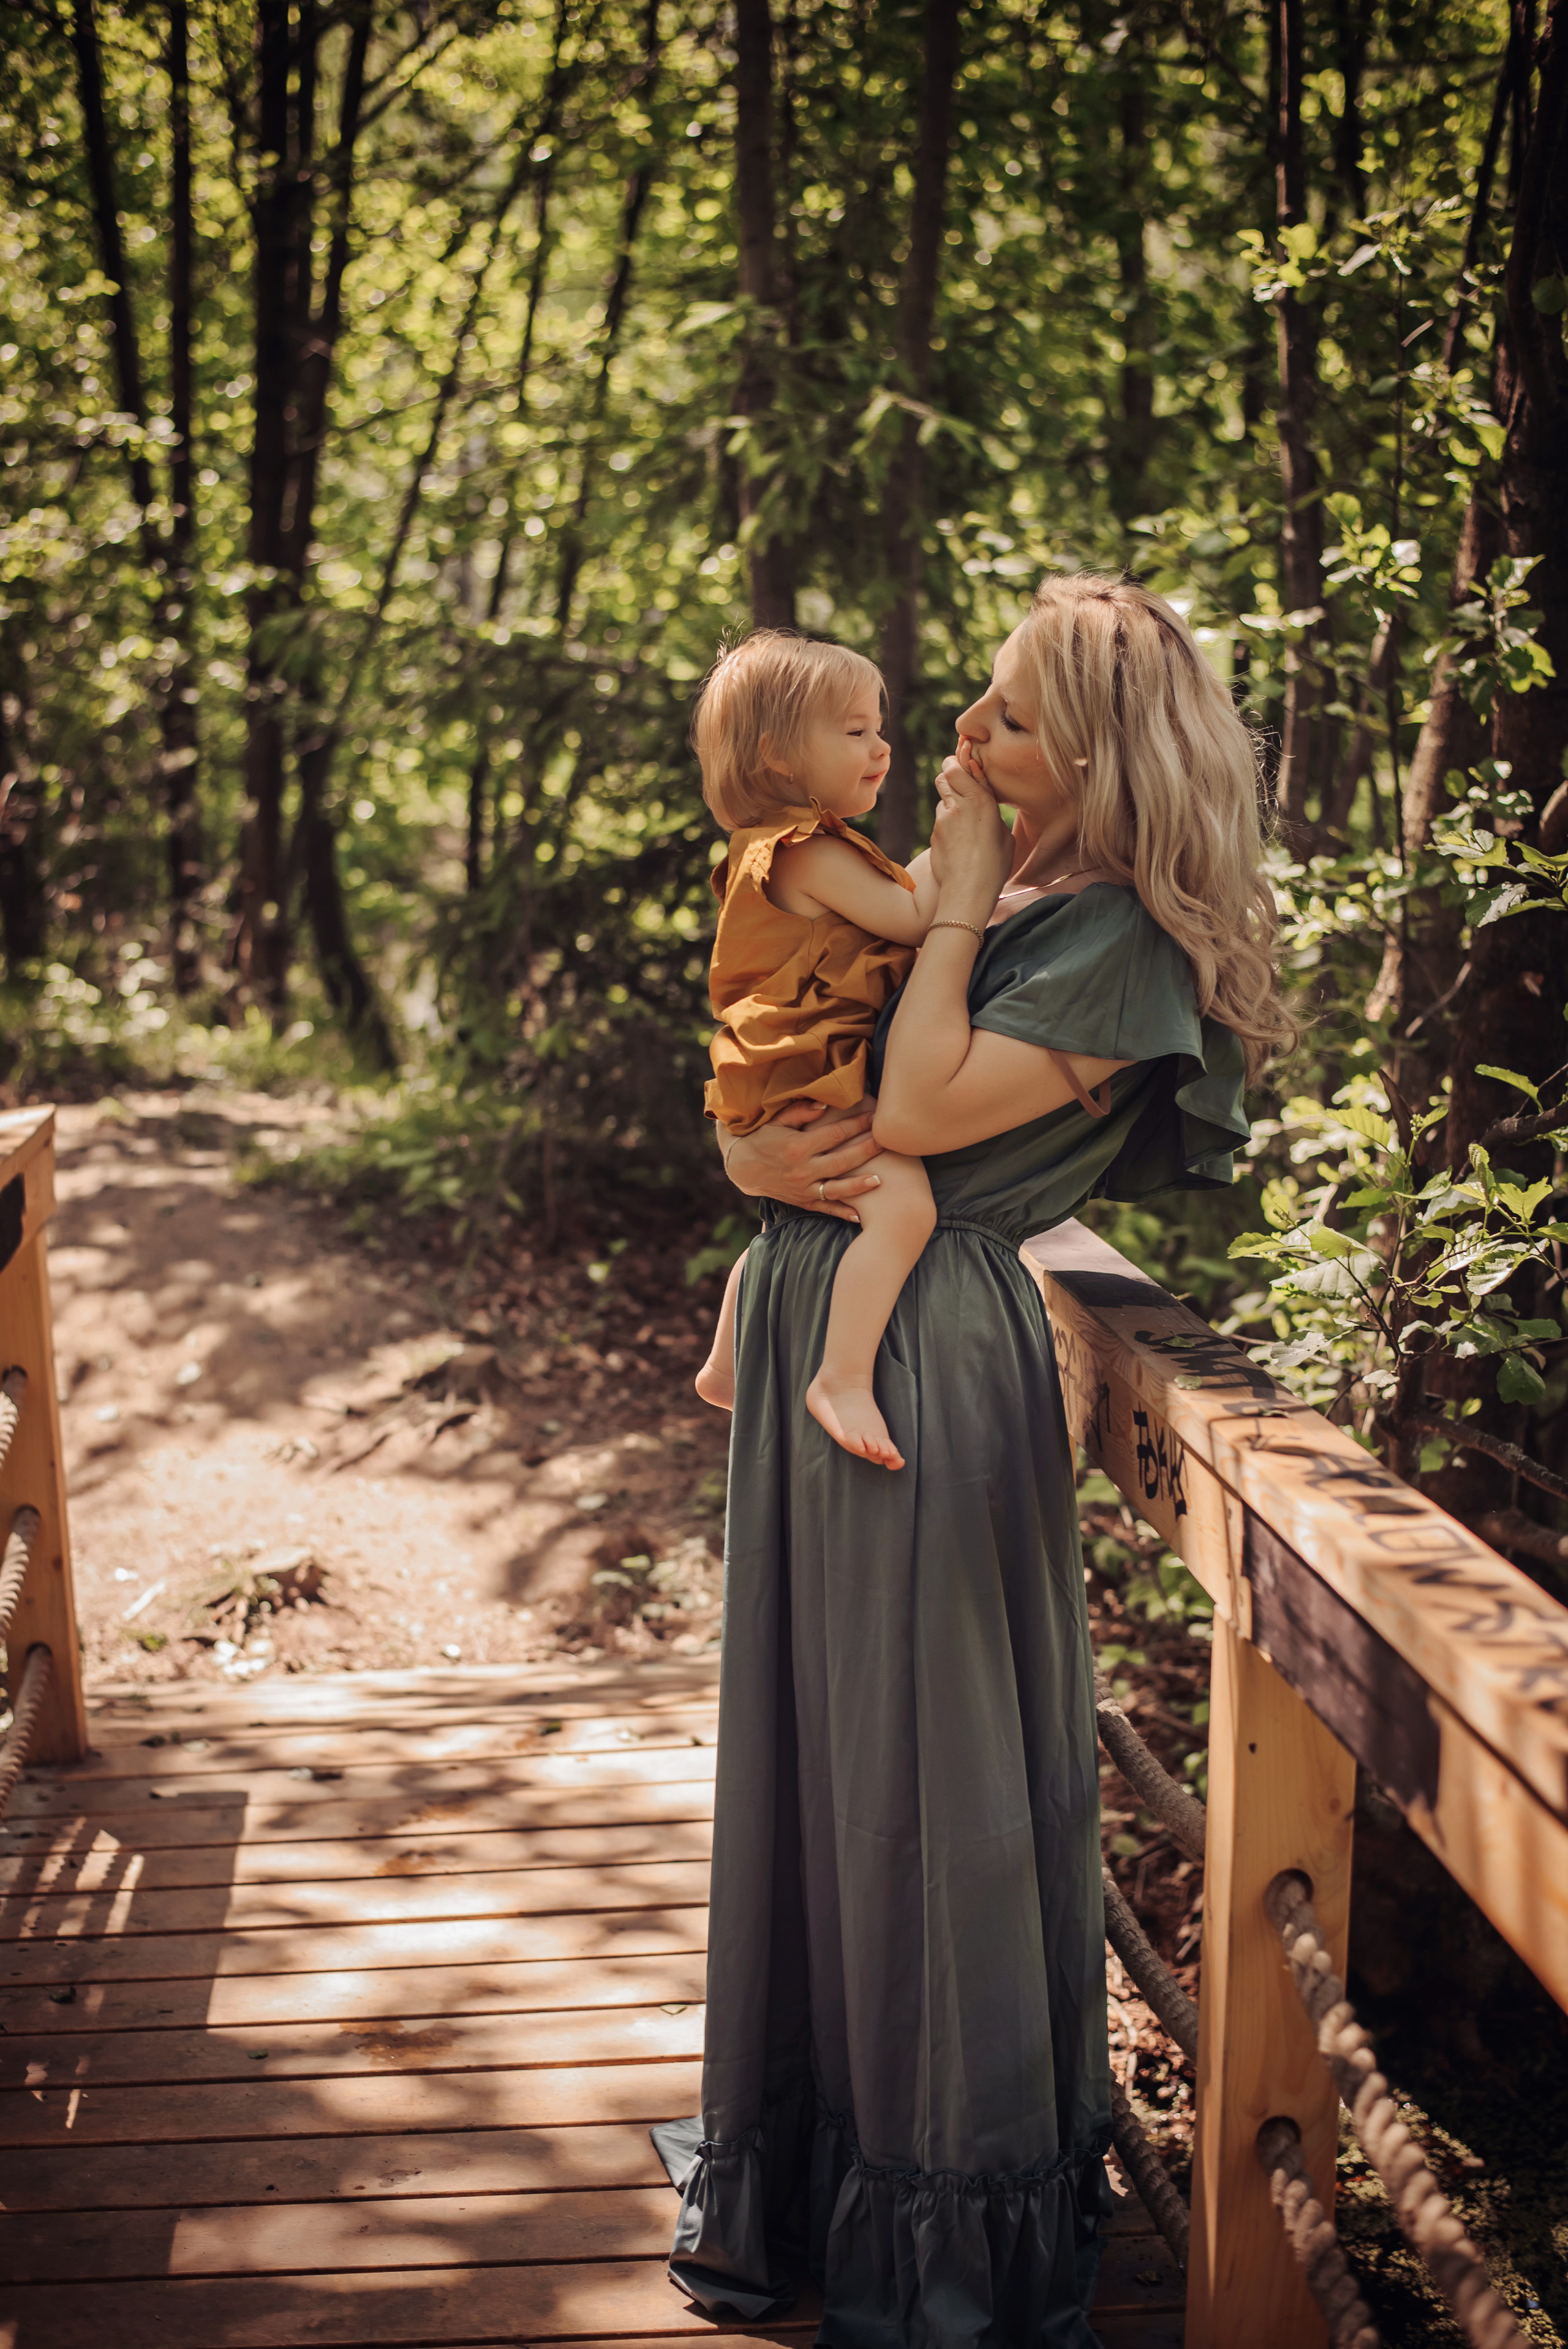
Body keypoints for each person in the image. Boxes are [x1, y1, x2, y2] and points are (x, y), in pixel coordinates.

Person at [652, 573, 1292, 2348]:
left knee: (921, 1785)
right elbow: (823, 1078)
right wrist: (765, 1174)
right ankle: (815, 2154)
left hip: (921, 1358)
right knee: (826, 1754)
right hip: (829, 1310)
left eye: (1004, 715)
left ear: (1091, 748)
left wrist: (941, 919)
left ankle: (942, 2211)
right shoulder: (1016, 886)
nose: (964, 738)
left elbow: (924, 1117)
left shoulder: (1112, 937)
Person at [692, 629, 944, 1470]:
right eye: (854, 732)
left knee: (796, 1209)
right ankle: (841, 1376)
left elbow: (894, 903)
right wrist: (967, 842)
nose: (881, 748)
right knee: (903, 1207)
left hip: (779, 1067)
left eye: (878, 727)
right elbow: (913, 916)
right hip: (807, 1064)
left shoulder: (775, 851)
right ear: (777, 753)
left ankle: (729, 1359)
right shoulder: (808, 849)